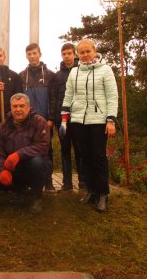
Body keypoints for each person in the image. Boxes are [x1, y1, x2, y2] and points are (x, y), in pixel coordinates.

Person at [61, 39, 118, 212]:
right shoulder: (74, 72)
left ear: (94, 51)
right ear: (78, 54)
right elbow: (68, 96)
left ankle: (103, 194)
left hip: (99, 121)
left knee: (98, 157)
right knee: (84, 156)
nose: (85, 55)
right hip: (78, 121)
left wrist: (111, 120)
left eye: (88, 51)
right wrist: (64, 119)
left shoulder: (106, 70)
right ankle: (92, 191)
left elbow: (112, 96)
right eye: (82, 52)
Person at [0, 93, 50, 214]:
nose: (18, 109)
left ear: (28, 107)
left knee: (38, 162)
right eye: (15, 106)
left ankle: (37, 197)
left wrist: (19, 154)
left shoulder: (39, 121)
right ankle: (19, 191)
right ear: (11, 108)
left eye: (21, 106)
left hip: (32, 165)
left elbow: (43, 145)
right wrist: (1, 170)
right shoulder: (4, 126)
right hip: (13, 167)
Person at [19, 43, 56, 192]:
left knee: (47, 150)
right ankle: (28, 181)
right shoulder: (21, 76)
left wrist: (51, 118)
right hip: (27, 122)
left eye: (34, 53)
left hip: (45, 120)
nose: (32, 56)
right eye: (29, 54)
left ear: (40, 54)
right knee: (26, 149)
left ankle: (48, 180)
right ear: (26, 56)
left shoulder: (50, 75)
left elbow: (53, 98)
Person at [54, 43, 85, 192]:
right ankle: (67, 184)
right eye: (64, 54)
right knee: (65, 151)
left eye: (69, 53)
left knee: (80, 150)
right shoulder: (57, 76)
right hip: (62, 120)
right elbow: (54, 97)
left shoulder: (82, 70)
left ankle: (83, 183)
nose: (66, 56)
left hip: (79, 118)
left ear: (75, 54)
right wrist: (55, 118)